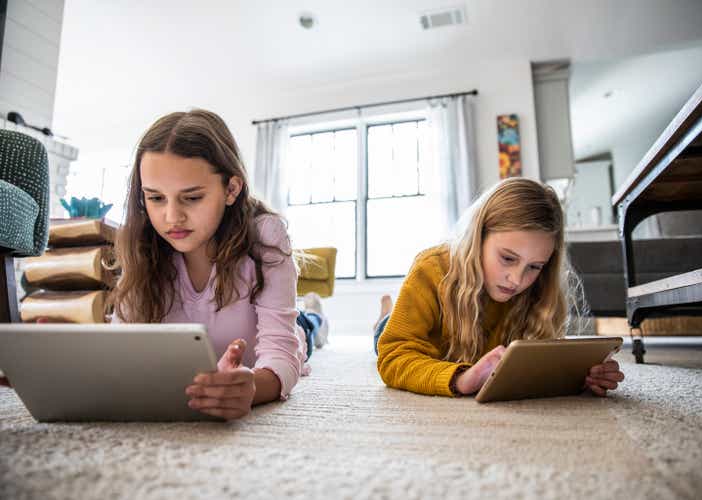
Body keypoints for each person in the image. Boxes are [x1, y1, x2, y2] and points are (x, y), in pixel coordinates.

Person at [107, 109, 325, 420]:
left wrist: (252, 388)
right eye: (155, 198)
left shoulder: (266, 235)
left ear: (231, 190)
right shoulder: (141, 242)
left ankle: (315, 315)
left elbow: (281, 355)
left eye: (192, 198)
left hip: (283, 336)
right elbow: (120, 348)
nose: (171, 217)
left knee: (307, 328)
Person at [373, 177, 624, 398]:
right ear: (477, 237)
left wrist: (583, 377)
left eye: (534, 266)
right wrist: (461, 380)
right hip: (422, 334)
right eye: (508, 258)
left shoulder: (537, 291)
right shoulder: (431, 268)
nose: (516, 280)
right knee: (383, 333)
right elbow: (394, 356)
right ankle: (386, 314)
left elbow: (534, 366)